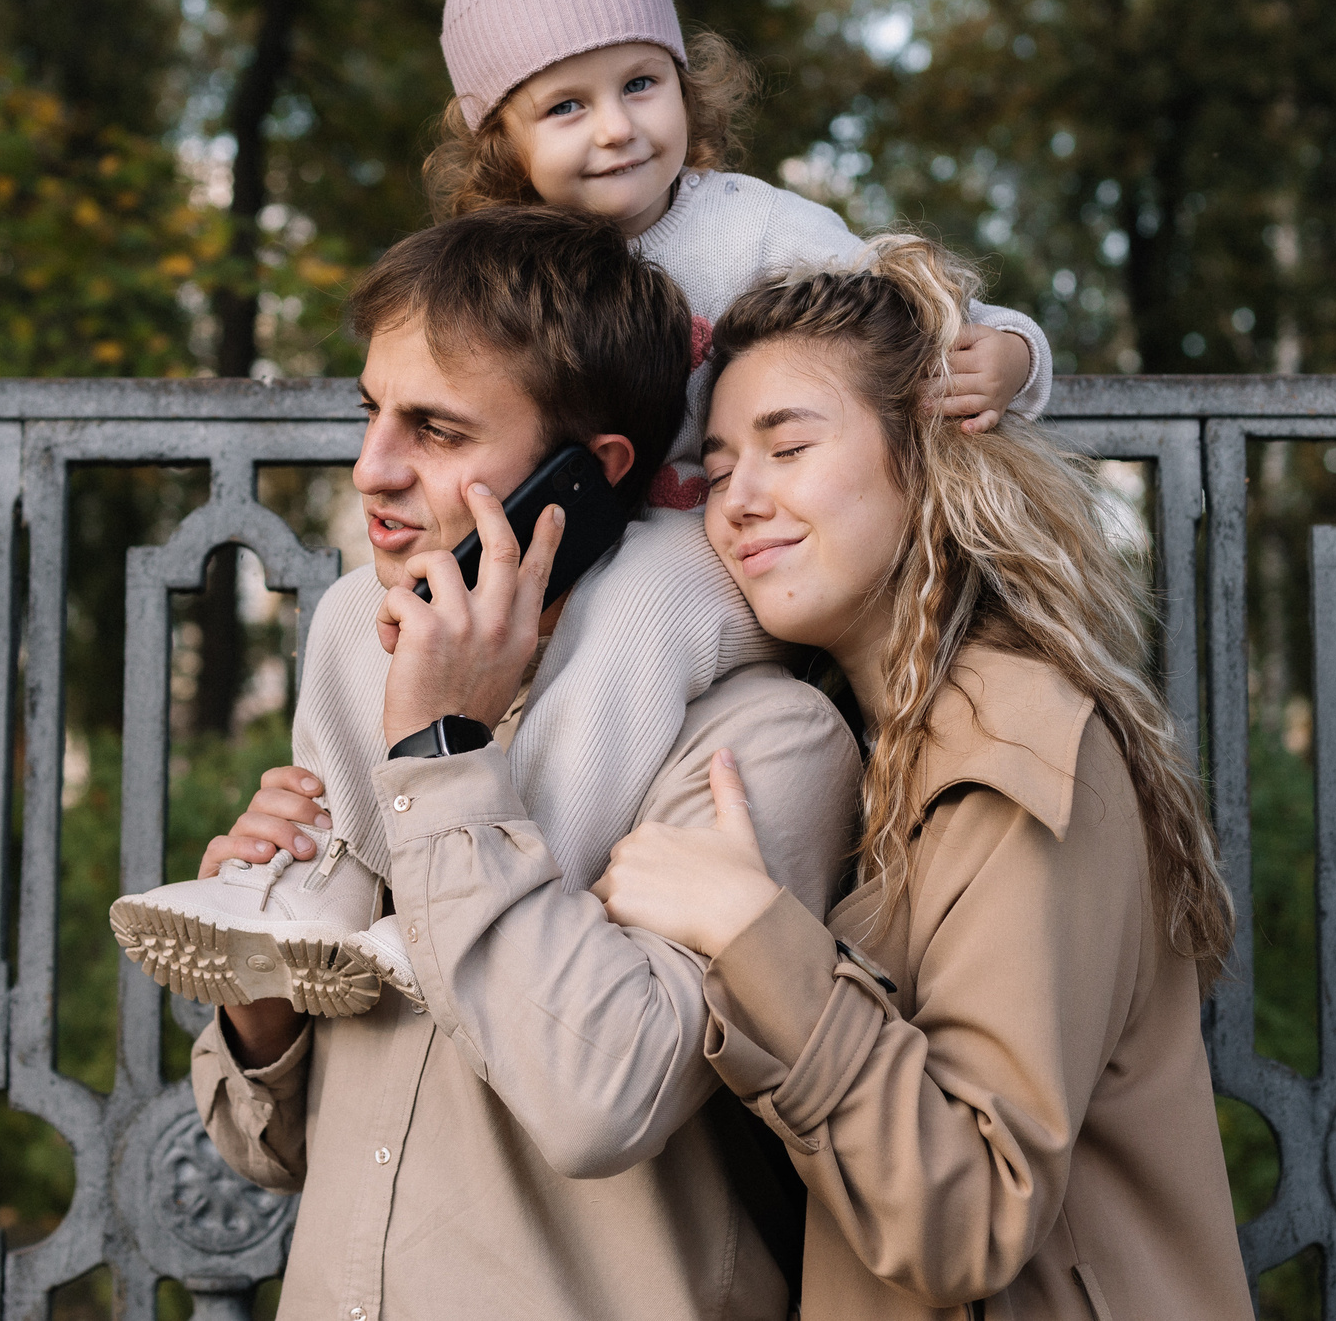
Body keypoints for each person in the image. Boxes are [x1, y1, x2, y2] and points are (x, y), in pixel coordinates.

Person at [111, 0, 1050, 1007]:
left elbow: (909, 316)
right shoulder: (506, 259)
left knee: (641, 599)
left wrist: (1009, 355)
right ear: (493, 128)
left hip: (717, 545)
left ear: (687, 84)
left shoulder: (762, 229)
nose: (615, 130)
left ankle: (501, 877)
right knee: (367, 609)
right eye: (565, 105)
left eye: (641, 85)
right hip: (559, 541)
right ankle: (331, 882)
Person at [178, 204, 865, 1321]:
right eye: (372, 415)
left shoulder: (759, 744)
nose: (371, 469)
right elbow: (278, 1152)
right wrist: (267, 992)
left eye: (437, 432)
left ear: (587, 474)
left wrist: (445, 756)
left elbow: (600, 1100)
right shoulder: (371, 670)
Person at [594, 236, 1252, 1320]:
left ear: (924, 456)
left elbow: (969, 1219)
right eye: (716, 470)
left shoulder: (1016, 752)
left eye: (787, 447)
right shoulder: (852, 749)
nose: (738, 501)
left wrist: (750, 929)